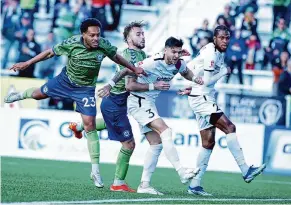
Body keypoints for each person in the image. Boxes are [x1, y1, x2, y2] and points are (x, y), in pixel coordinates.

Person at [3, 18, 146, 188]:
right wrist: (27, 63)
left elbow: (117, 57)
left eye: (98, 35)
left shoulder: (104, 45)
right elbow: (49, 53)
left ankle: (95, 170)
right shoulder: (71, 43)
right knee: (39, 94)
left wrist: (133, 68)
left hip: (85, 89)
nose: (95, 38)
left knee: (90, 125)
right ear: (83, 34)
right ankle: (19, 95)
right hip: (65, 81)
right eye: (92, 35)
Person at [68, 21, 170, 193]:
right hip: (115, 102)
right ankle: (118, 183)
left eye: (143, 33)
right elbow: (130, 86)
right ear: (128, 39)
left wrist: (171, 56)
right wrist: (155, 86)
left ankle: (79, 127)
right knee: (129, 144)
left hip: (121, 103)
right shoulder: (130, 56)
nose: (142, 36)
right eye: (138, 34)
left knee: (112, 126)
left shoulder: (141, 54)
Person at [98, 37, 204, 195]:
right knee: (166, 131)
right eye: (173, 51)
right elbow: (128, 78)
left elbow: (186, 72)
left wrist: (195, 79)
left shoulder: (179, 63)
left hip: (149, 103)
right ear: (165, 49)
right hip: (138, 101)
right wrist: (110, 85)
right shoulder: (152, 61)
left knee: (156, 144)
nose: (175, 55)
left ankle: (144, 185)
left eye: (178, 52)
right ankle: (181, 172)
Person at [179, 25, 266, 196]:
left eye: (227, 38)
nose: (225, 41)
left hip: (201, 96)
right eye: (221, 38)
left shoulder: (216, 52)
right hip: (202, 98)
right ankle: (245, 170)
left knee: (208, 142)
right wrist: (224, 72)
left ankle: (195, 185)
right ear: (214, 39)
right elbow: (208, 80)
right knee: (230, 127)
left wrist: (190, 86)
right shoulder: (211, 53)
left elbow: (193, 66)